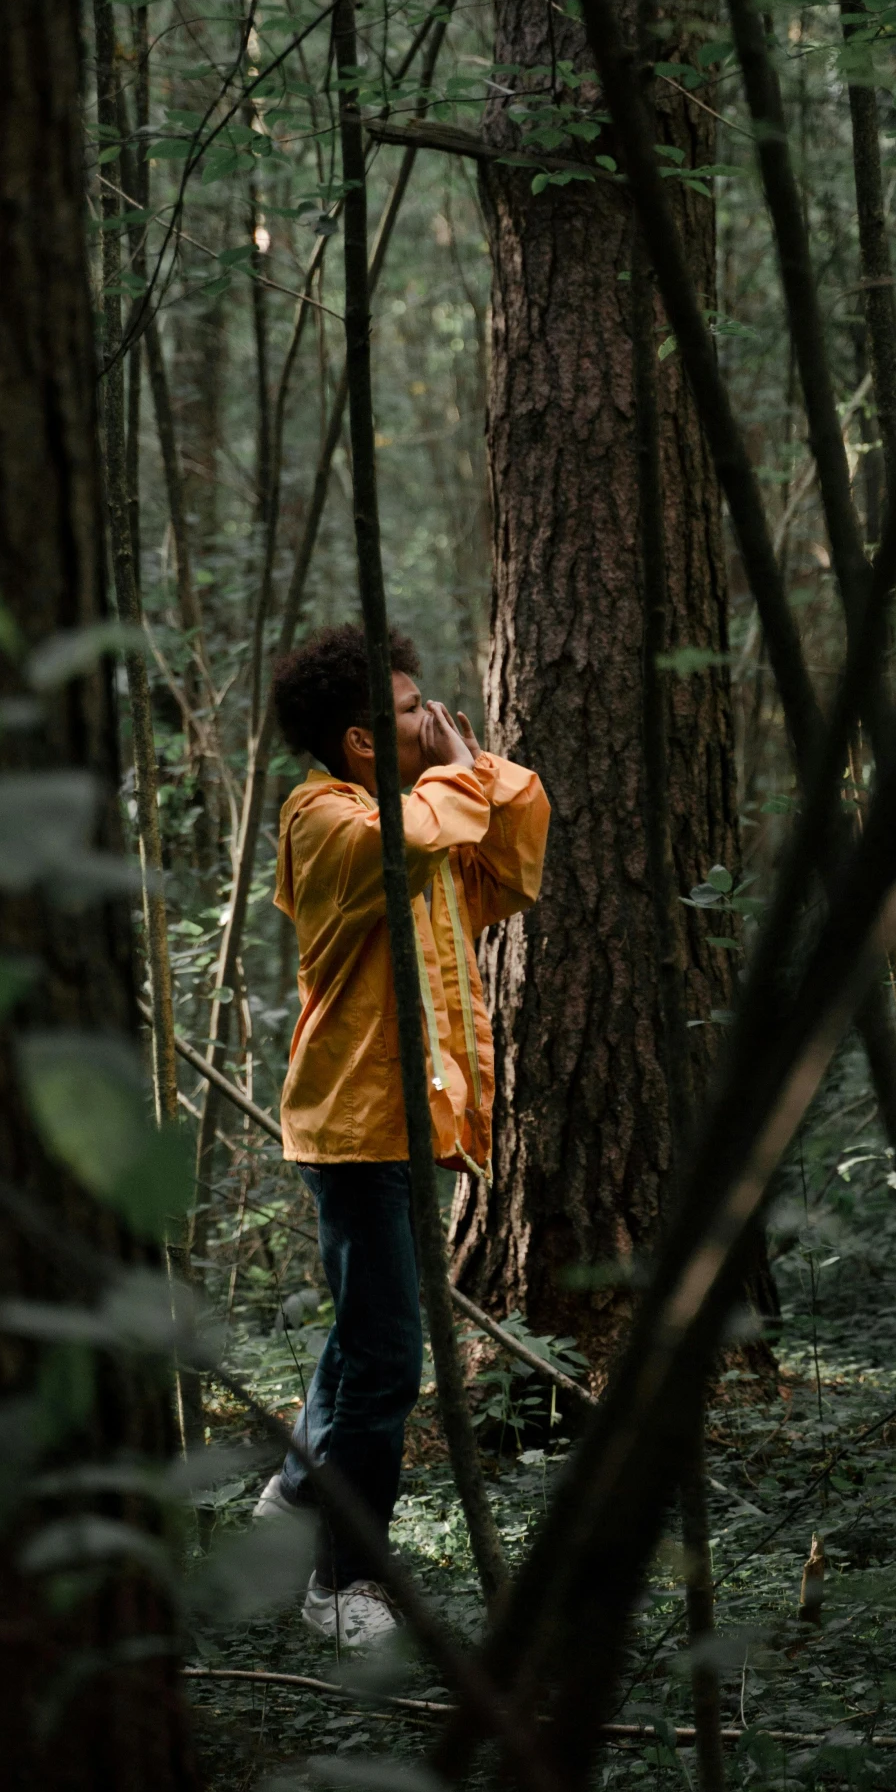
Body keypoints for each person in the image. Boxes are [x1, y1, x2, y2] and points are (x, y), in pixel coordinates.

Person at [254, 622, 549, 1649]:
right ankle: (342, 1583)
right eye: (414, 706)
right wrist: (468, 772)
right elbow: (430, 829)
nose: (436, 717)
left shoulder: (412, 827)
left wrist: (471, 776)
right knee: (386, 1359)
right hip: (355, 1124)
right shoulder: (326, 819)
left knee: (366, 1330)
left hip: (411, 1122)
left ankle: (293, 1496)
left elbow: (502, 873)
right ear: (365, 740)